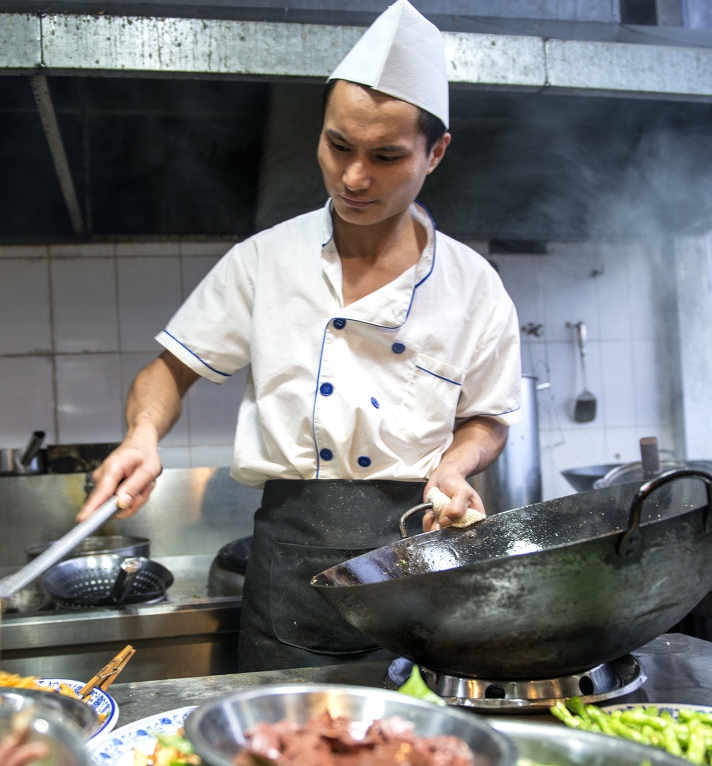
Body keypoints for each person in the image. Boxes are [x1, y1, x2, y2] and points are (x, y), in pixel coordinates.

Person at [78, 0, 522, 672]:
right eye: (338, 145)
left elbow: (487, 418)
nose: (353, 177)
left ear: (436, 153)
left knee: (424, 755)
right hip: (290, 572)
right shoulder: (265, 261)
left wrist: (454, 468)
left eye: (385, 155)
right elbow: (166, 373)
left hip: (425, 563)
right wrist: (142, 436)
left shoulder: (474, 285)